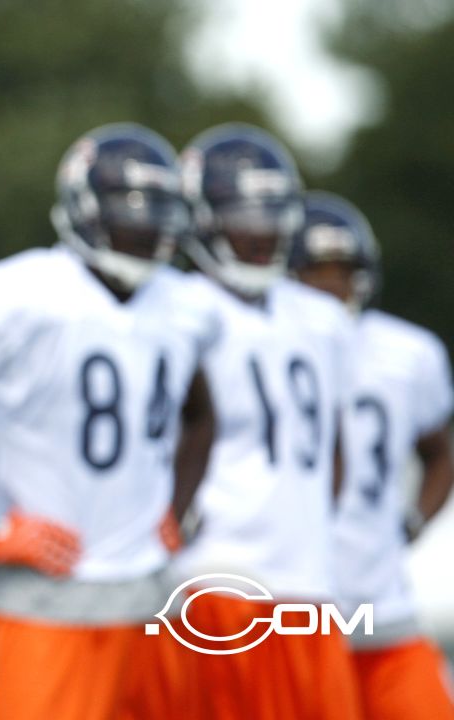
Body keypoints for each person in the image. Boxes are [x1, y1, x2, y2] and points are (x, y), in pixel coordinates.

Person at [0, 123, 217, 720]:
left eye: (157, 212)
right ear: (86, 210)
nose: (148, 228)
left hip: (154, 592)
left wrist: (177, 506)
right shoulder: (18, 295)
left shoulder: (183, 305)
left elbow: (203, 416)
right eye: (131, 212)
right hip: (47, 598)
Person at [170, 124, 363, 719]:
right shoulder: (175, 308)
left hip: (309, 586)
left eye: (273, 213)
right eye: (242, 215)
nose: (262, 232)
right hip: (211, 582)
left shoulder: (324, 319)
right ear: (201, 217)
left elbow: (332, 446)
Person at [289, 190, 454, 719]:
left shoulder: (408, 352)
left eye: (345, 268)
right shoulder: (263, 343)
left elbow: (440, 451)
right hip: (297, 603)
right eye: (318, 268)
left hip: (385, 604)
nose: (334, 283)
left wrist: (412, 522)